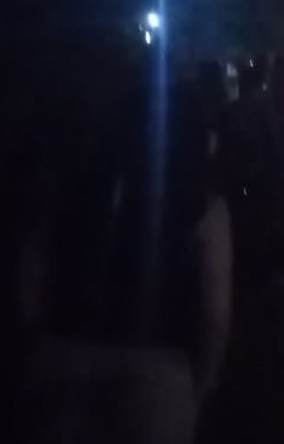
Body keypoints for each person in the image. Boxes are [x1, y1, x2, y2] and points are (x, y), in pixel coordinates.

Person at [17, 77, 232, 444]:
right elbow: (215, 312)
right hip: (157, 371)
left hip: (66, 357)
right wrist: (202, 383)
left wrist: (38, 343)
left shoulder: (72, 187)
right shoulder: (203, 203)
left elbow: (30, 274)